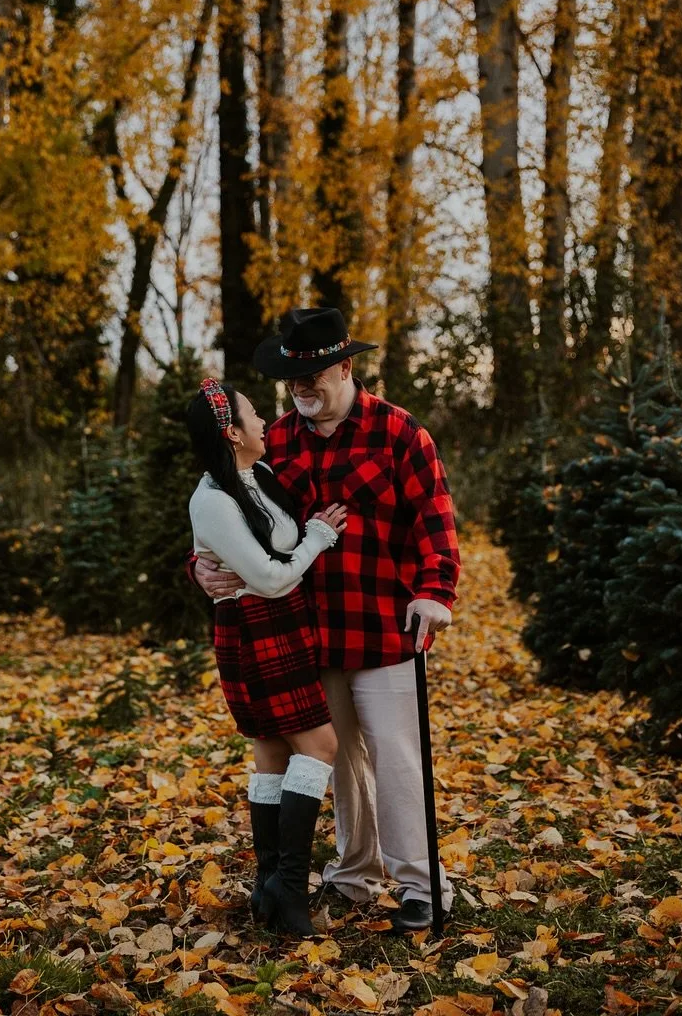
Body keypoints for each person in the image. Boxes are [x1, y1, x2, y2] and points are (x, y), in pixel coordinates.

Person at [192, 309, 461, 933]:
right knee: (338, 761)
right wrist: (199, 567)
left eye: (314, 375)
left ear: (346, 367)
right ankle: (354, 873)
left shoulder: (400, 433)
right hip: (304, 631)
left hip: (384, 624)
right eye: (293, 378)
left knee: (396, 756)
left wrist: (435, 592)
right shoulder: (273, 441)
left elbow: (435, 521)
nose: (302, 388)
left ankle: (421, 884)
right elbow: (229, 514)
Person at [185, 376, 351, 936]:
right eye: (254, 415)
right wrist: (318, 536)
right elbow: (270, 579)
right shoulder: (212, 499)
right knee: (320, 744)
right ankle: (290, 884)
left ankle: (268, 888)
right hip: (256, 629)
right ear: (232, 432)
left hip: (283, 626)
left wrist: (199, 562)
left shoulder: (259, 476)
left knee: (274, 752)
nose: (266, 422)